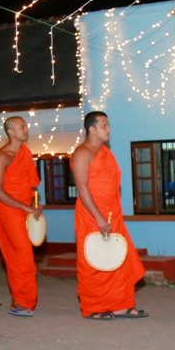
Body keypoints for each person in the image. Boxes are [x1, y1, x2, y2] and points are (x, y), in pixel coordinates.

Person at [71, 111, 147, 320]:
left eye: (108, 125)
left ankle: (120, 305)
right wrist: (99, 217)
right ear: (91, 129)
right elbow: (82, 188)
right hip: (91, 215)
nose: (109, 129)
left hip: (112, 213)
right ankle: (94, 307)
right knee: (95, 260)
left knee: (118, 258)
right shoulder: (82, 153)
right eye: (104, 126)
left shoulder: (106, 153)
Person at [0, 117, 42, 317]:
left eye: (26, 126)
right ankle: (22, 302)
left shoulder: (25, 153)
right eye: (22, 127)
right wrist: (24, 206)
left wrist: (34, 204)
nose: (26, 129)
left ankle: (20, 300)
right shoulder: (3, 155)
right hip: (9, 209)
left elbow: (29, 185)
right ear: (11, 132)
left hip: (24, 208)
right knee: (22, 253)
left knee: (21, 255)